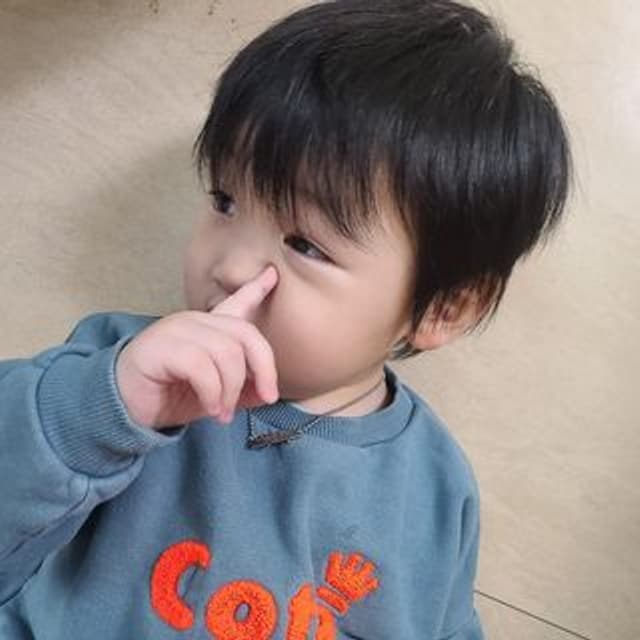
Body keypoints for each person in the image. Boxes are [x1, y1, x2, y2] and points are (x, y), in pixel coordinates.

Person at [0, 0, 572, 638]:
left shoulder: (434, 490)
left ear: (443, 307)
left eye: (305, 245)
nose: (232, 267)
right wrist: (105, 411)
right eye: (225, 201)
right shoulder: (117, 370)